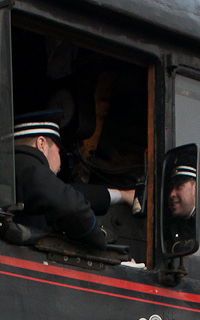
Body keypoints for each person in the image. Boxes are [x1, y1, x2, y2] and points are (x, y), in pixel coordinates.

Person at [11, 99, 139, 245]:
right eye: (59, 153)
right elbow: (73, 208)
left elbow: (71, 193)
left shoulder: (18, 171)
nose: (60, 166)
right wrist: (99, 241)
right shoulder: (28, 166)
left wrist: (123, 196)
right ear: (41, 144)